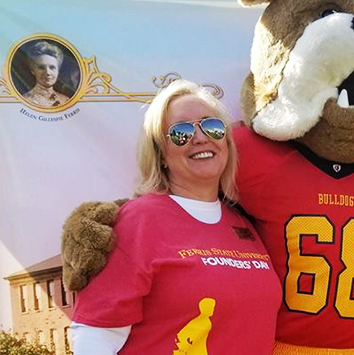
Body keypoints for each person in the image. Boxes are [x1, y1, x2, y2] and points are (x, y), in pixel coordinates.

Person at [70, 80, 282, 354]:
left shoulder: (243, 223)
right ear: (161, 155)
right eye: (181, 132)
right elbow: (96, 335)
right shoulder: (136, 220)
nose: (200, 137)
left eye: (212, 126)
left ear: (226, 143)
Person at [23, 41, 71, 107]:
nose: (48, 72)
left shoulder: (65, 100)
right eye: (41, 68)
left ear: (58, 71)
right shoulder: (25, 101)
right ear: (33, 70)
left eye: (52, 67)